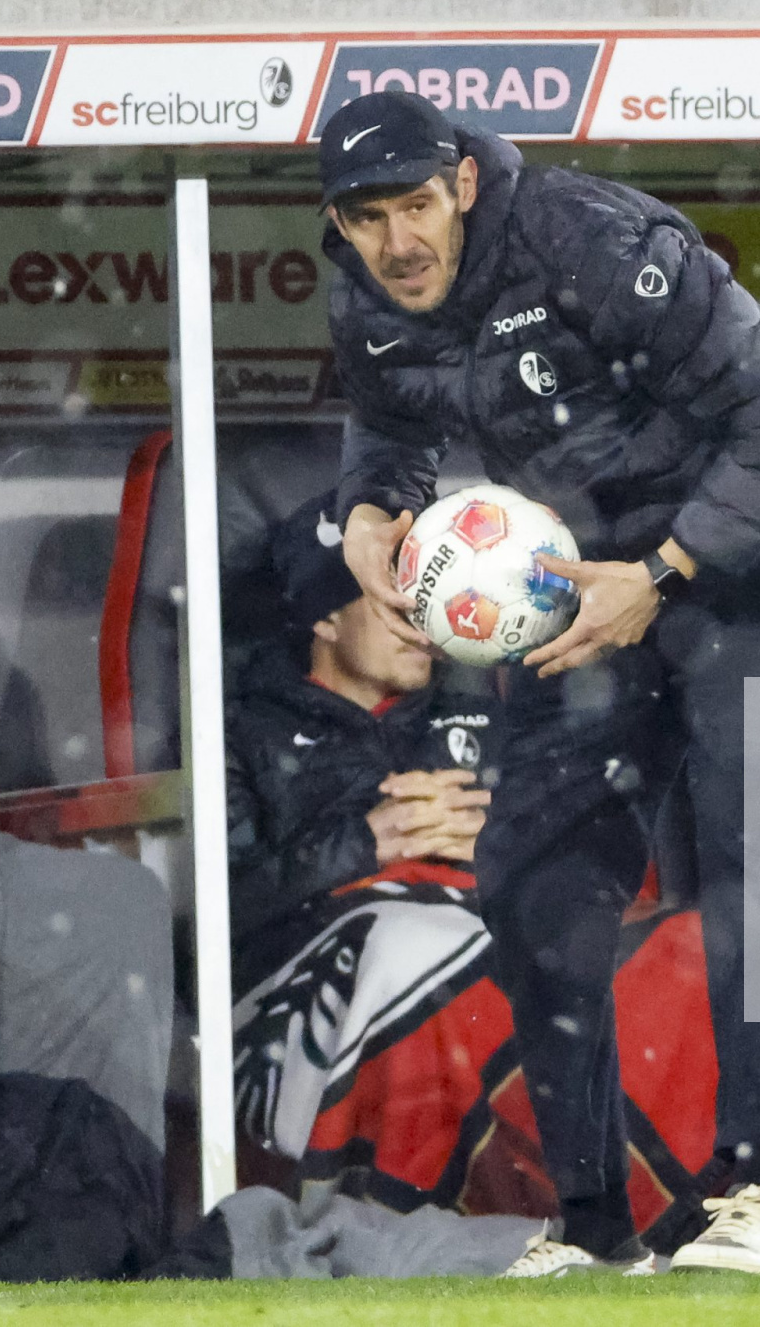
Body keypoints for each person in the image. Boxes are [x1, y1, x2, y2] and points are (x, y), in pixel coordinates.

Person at [320, 91, 760, 1276]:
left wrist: (667, 571)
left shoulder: (586, 239)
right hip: (583, 576)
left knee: (742, 838)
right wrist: (365, 512)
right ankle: (592, 1227)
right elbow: (387, 425)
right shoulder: (364, 293)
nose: (395, 242)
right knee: (532, 872)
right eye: (366, 219)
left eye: (415, 207)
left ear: (463, 185)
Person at [226, 494, 501, 1161]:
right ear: (324, 616)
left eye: (430, 604)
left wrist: (498, 847)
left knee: (677, 949)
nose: (423, 628)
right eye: (397, 606)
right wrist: (365, 842)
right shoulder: (242, 733)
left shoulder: (480, 715)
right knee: (416, 949)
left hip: (480, 932)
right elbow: (219, 914)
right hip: (318, 966)